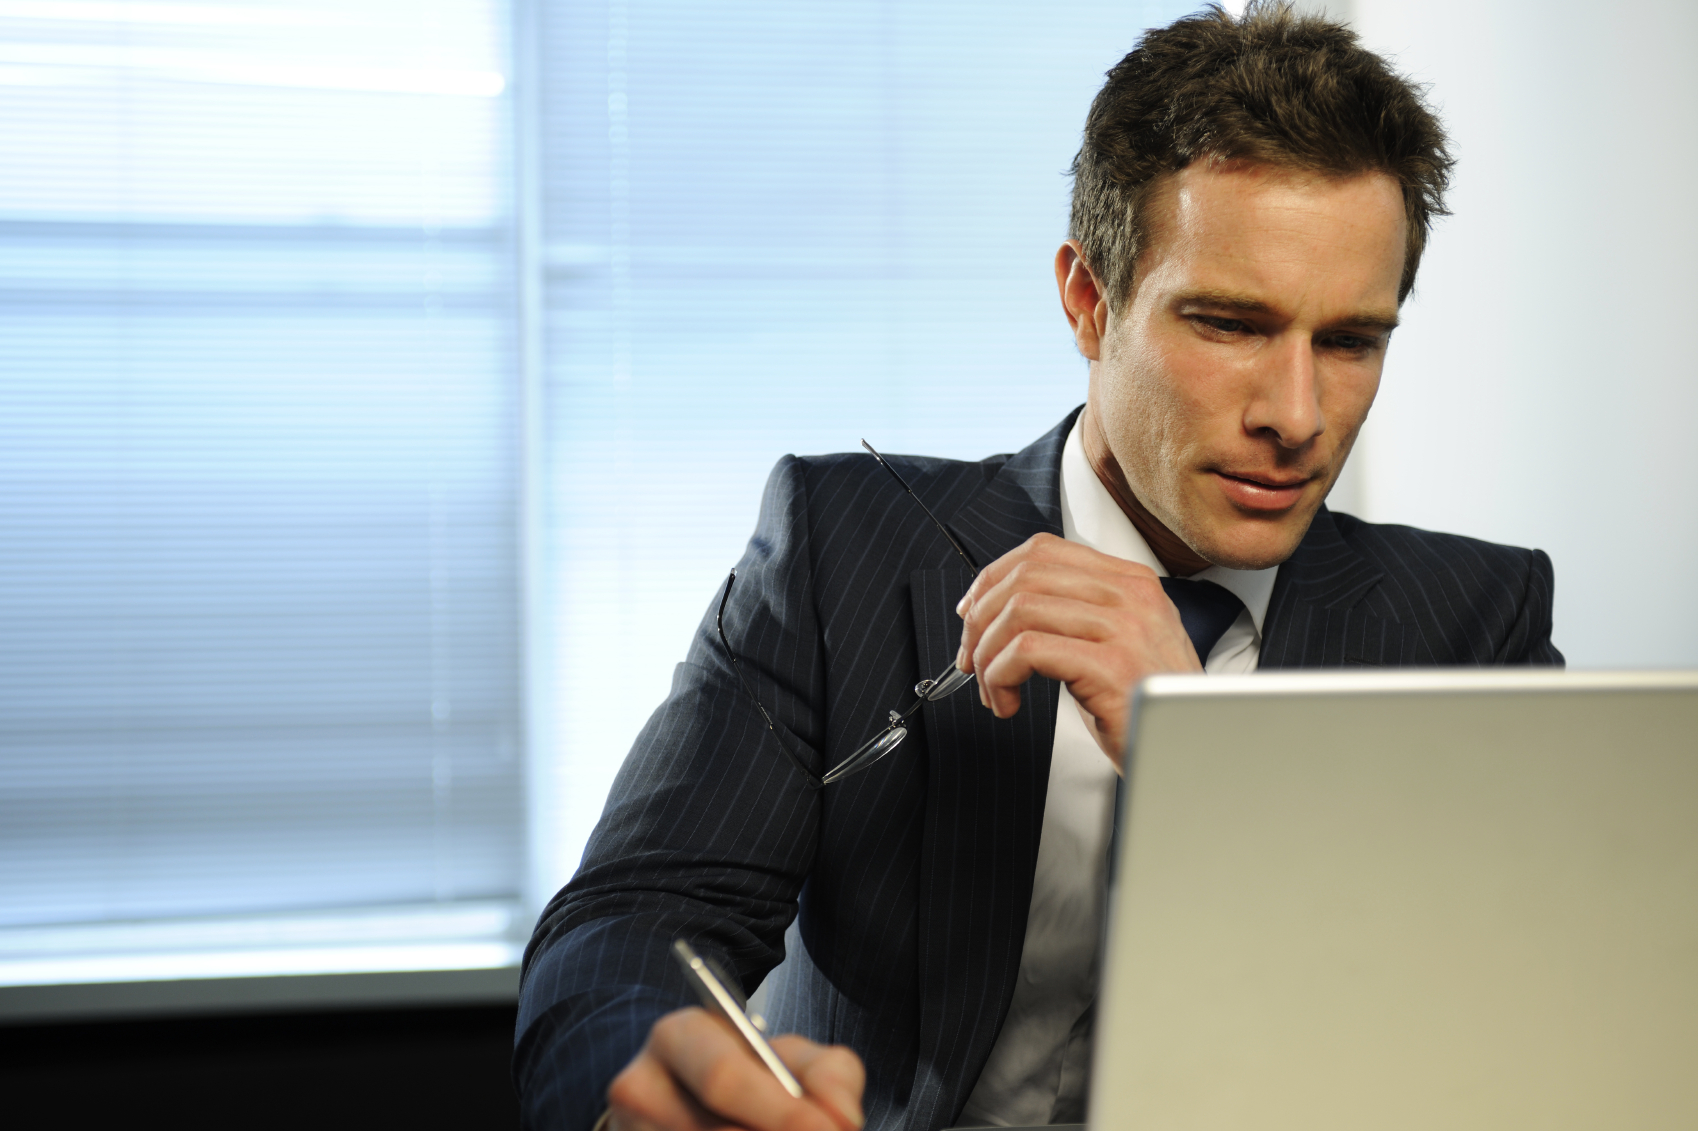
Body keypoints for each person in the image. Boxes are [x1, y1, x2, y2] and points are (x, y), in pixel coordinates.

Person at [514, 4, 1563, 1129]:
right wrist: (658, 1068)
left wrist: (1205, 755)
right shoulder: (844, 548)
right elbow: (627, 925)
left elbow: (1507, 1032)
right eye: (1228, 325)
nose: (1297, 416)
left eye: (1351, 341)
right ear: (1087, 299)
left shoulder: (1471, 621)